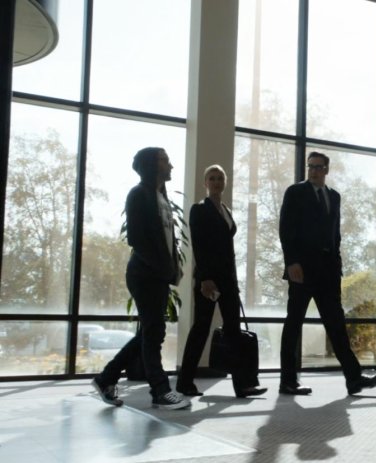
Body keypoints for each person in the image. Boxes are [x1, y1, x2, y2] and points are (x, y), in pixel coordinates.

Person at [278, 151, 376, 395]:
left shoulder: (334, 197)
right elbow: (286, 229)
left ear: (326, 170)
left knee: (336, 325)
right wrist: (291, 262)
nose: (313, 170)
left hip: (328, 272)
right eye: (310, 166)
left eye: (318, 167)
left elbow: (335, 235)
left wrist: (337, 266)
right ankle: (288, 381)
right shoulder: (295, 192)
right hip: (301, 271)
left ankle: (354, 379)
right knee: (293, 324)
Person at [91, 147, 191, 410]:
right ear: (150, 165)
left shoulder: (160, 197)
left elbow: (166, 240)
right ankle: (160, 391)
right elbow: (136, 239)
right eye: (164, 160)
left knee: (151, 331)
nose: (170, 165)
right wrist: (162, 268)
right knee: (154, 332)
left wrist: (173, 268)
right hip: (144, 275)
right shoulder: (138, 195)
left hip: (157, 274)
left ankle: (107, 378)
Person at [177, 165, 267, 398]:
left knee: (234, 331)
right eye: (212, 178)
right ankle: (184, 382)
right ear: (205, 183)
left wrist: (234, 282)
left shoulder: (226, 210)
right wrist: (205, 278)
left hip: (227, 281)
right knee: (200, 329)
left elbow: (227, 250)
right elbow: (199, 245)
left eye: (220, 178)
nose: (216, 182)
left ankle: (243, 384)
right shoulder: (199, 209)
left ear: (225, 183)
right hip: (209, 281)